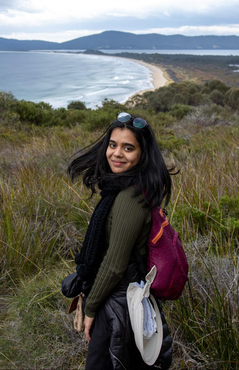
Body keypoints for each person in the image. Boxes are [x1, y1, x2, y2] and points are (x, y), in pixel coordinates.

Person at [68, 112, 175, 369]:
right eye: (113, 145)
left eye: (128, 148)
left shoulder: (130, 197)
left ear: (142, 154)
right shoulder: (125, 187)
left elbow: (114, 264)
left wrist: (91, 309)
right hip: (122, 297)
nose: (117, 153)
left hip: (118, 303)